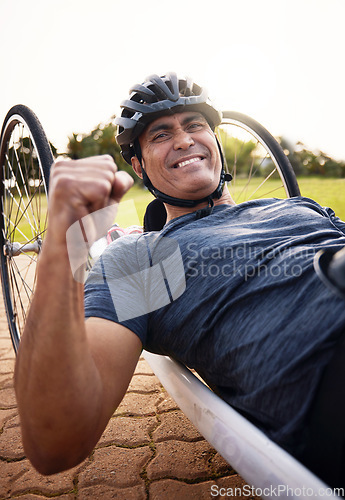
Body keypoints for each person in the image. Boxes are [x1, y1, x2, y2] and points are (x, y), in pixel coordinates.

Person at [14, 73, 345, 489]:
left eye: (195, 125)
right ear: (138, 167)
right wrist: (60, 255)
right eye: (161, 134)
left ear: (216, 141)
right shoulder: (151, 258)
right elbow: (55, 442)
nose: (185, 140)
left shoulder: (297, 210)